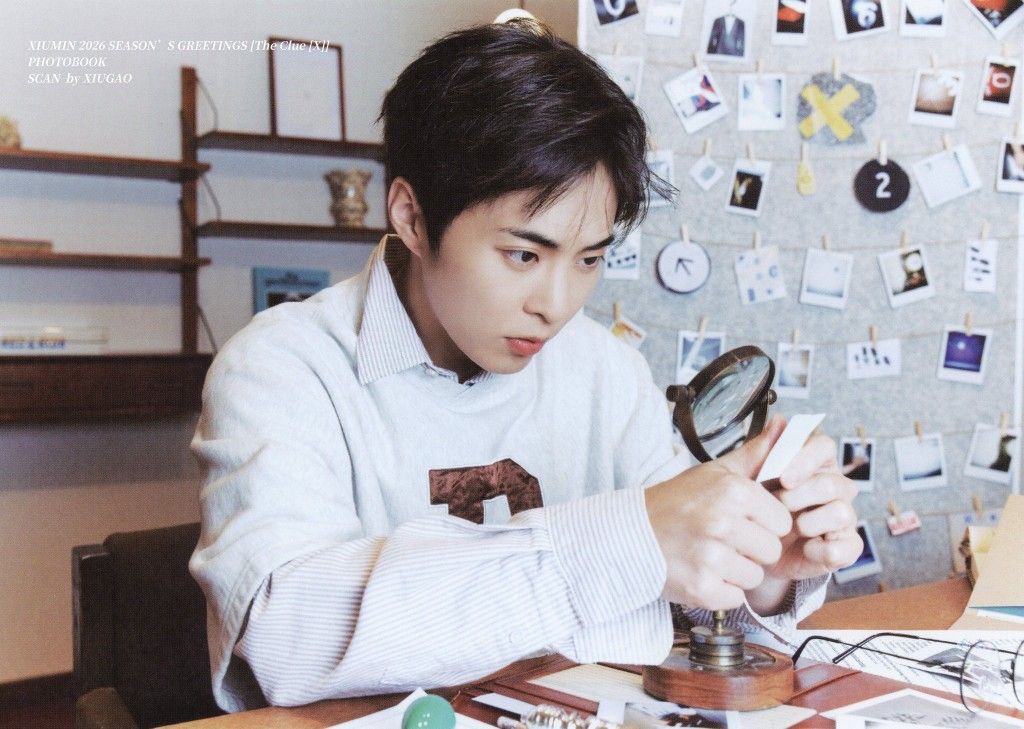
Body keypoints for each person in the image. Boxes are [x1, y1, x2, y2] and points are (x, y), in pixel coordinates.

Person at [189, 18, 861, 712]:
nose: (557, 304)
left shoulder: (605, 371)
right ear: (412, 218)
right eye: (523, 255)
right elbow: (287, 632)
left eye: (590, 259)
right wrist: (624, 541)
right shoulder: (280, 369)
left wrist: (762, 564)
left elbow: (680, 590)